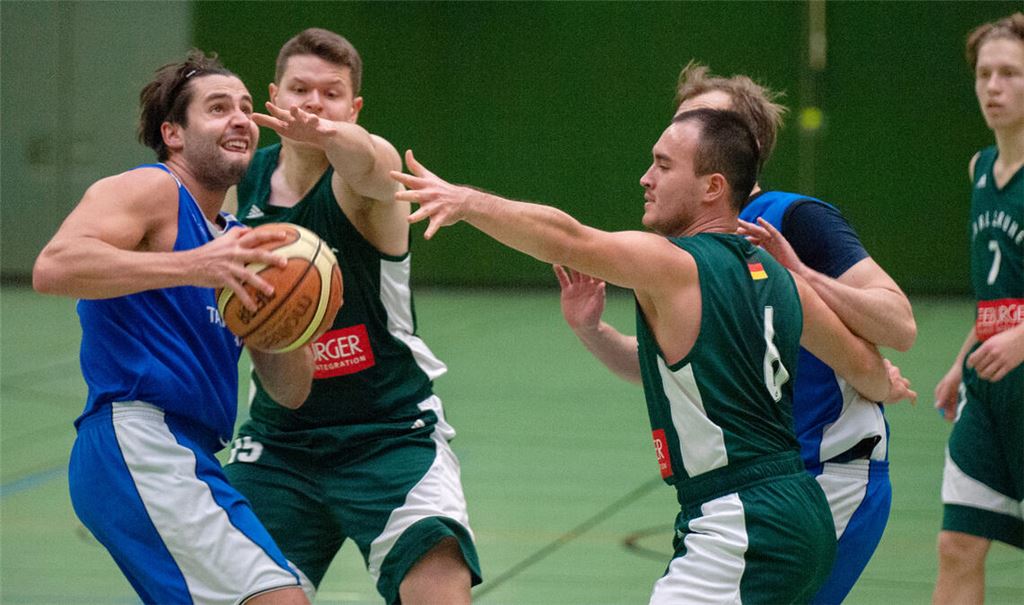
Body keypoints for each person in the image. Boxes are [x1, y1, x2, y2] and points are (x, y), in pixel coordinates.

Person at [392, 108, 916, 603]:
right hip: (799, 508)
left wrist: (466, 201)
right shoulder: (780, 278)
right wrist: (888, 382)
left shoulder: (674, 266)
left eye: (663, 165)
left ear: (713, 187)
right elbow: (865, 371)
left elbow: (563, 235)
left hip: (742, 517)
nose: (646, 178)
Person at [556, 62, 918, 604]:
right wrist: (592, 331)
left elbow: (900, 324)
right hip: (761, 483)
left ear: (737, 150)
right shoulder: (688, 250)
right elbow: (667, 369)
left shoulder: (792, 219)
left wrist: (803, 276)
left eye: (705, 122)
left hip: (832, 472)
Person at [31, 51, 317, 605]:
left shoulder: (241, 241)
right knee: (279, 599)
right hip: (139, 438)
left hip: (193, 450)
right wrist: (192, 266)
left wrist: (289, 325)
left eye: (245, 107)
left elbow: (291, 392)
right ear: (174, 133)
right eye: (216, 108)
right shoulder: (152, 189)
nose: (239, 118)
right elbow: (54, 266)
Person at [221, 28, 480, 605]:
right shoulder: (242, 188)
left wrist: (334, 136)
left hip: (389, 433)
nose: (314, 104)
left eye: (331, 93)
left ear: (354, 108)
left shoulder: (362, 184)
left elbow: (373, 163)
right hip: (281, 444)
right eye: (300, 89)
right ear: (273, 96)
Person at [932, 13, 1024, 604]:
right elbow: (999, 295)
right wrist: (958, 362)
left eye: (1010, 73)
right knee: (958, 544)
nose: (993, 86)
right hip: (987, 387)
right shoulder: (980, 170)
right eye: (985, 74)